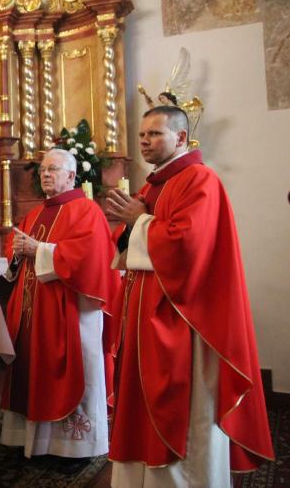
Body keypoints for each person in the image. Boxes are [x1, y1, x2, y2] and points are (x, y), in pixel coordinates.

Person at [105, 106, 274, 485]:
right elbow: (131, 245)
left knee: (184, 408)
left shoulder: (200, 180)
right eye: (142, 135)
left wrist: (139, 221)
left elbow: (187, 247)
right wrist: (133, 226)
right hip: (145, 320)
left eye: (155, 134)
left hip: (184, 320)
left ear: (181, 138)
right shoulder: (151, 186)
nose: (145, 142)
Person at [0, 149, 118, 465]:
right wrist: (18, 252)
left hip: (72, 313)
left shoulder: (86, 210)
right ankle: (32, 442)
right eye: (42, 170)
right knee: (32, 372)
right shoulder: (36, 213)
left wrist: (38, 249)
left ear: (71, 175)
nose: (46, 175)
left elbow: (88, 258)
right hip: (33, 315)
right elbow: (16, 251)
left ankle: (74, 449)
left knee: (74, 372)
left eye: (52, 169)